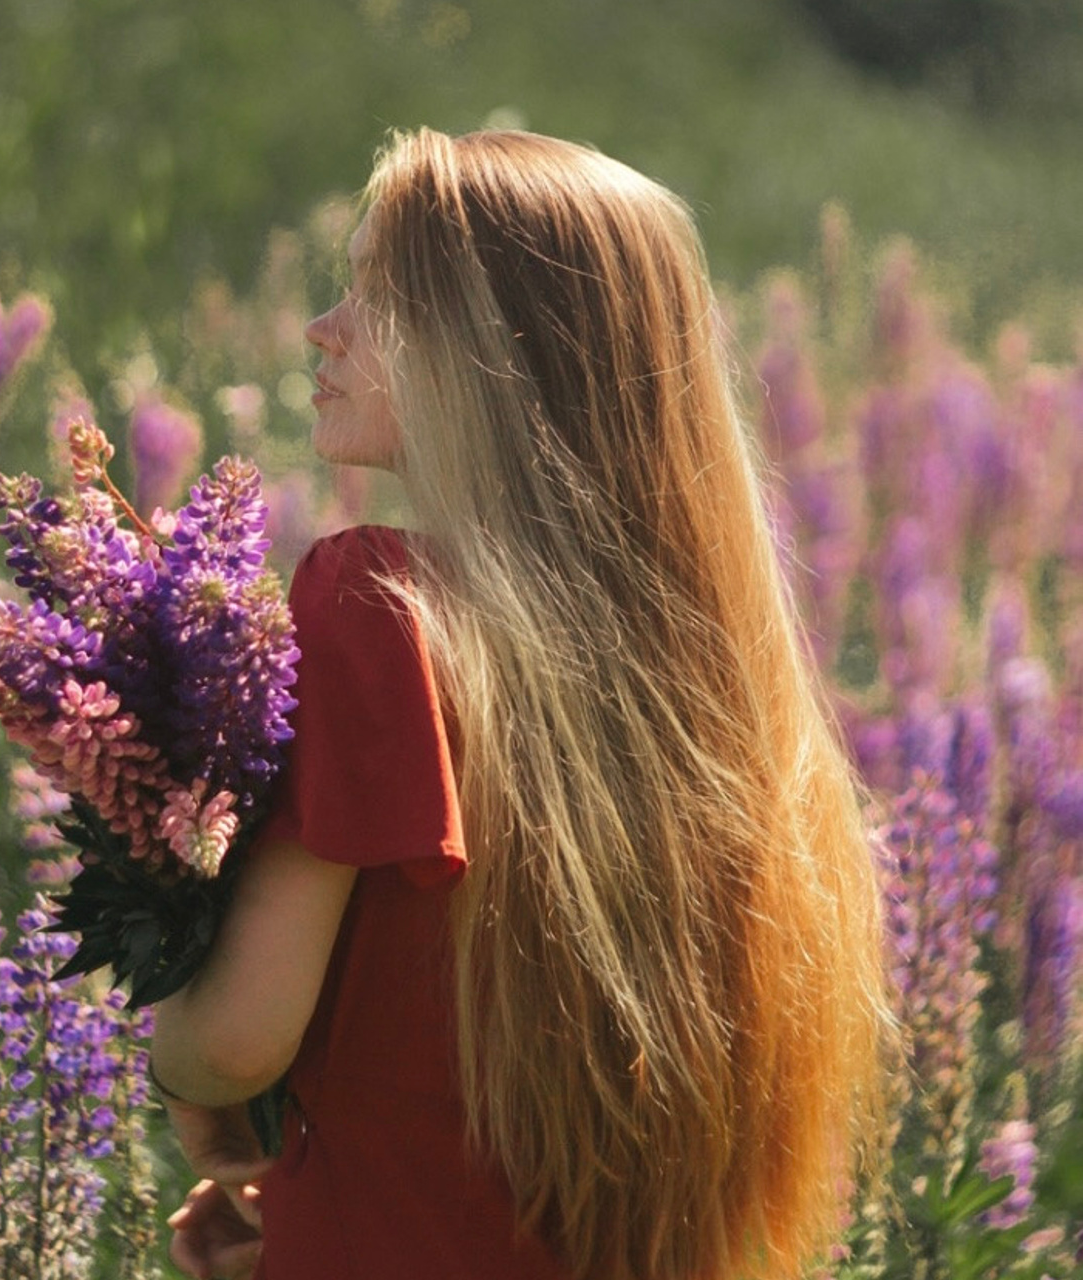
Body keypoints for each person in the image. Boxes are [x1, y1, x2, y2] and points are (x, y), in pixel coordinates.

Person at [148, 127, 895, 1280]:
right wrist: (301, 1193)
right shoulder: (701, 679)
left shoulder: (374, 604)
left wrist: (187, 1071)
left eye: (378, 294)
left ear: (499, 348)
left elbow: (238, 1038)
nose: (321, 327)